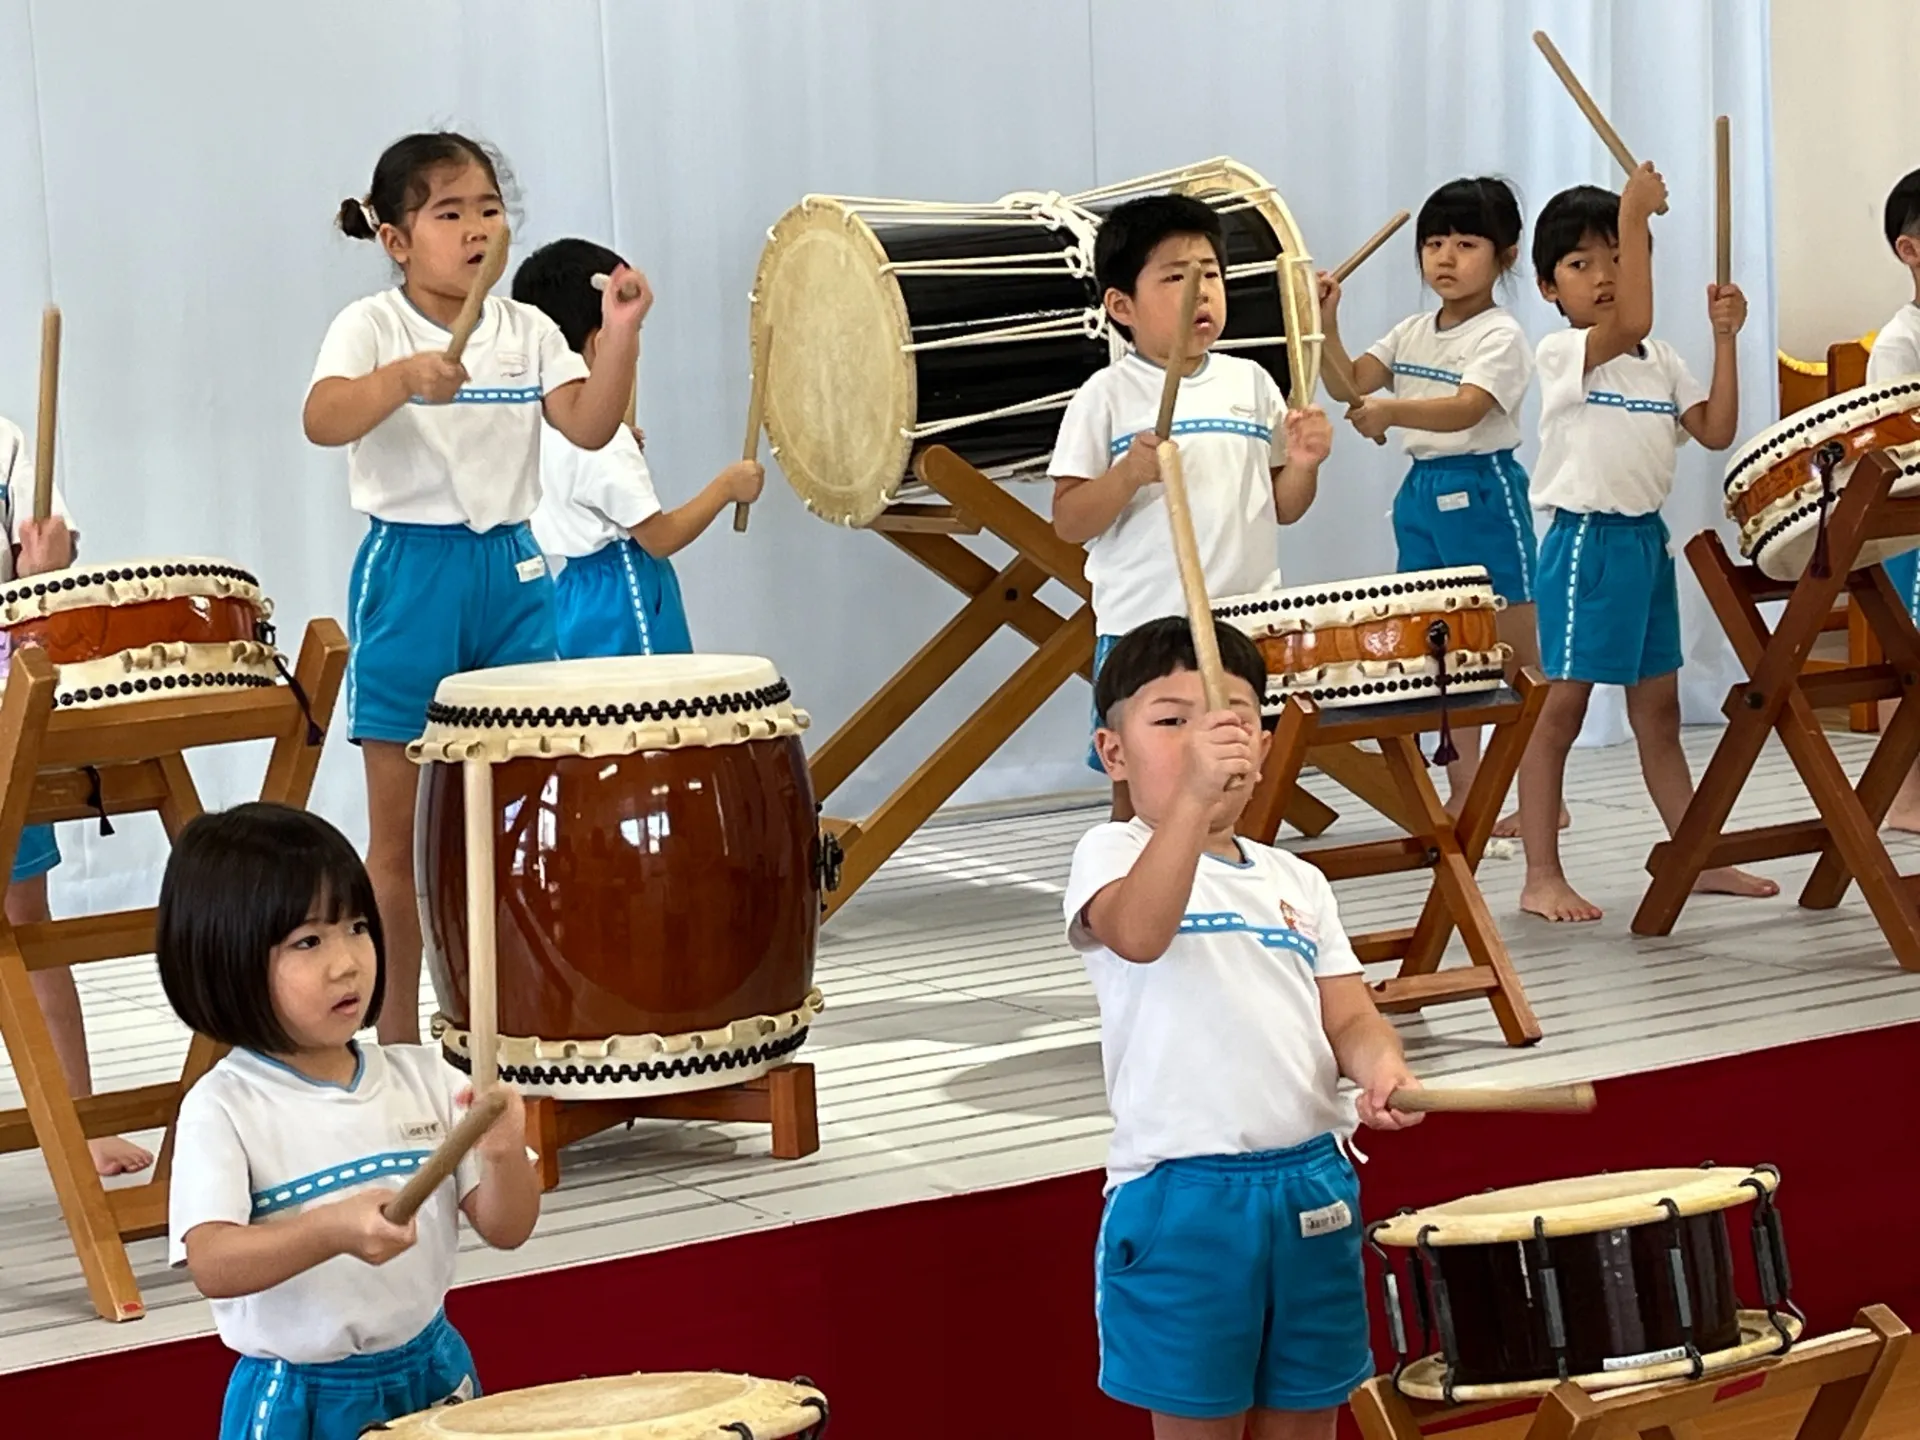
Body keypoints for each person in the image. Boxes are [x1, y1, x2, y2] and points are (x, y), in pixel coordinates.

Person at [303, 132, 647, 1041]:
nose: (475, 229)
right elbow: (322, 419)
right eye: (448, 212)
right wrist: (402, 378)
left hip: (514, 570)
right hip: (411, 570)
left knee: (513, 823)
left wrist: (619, 336)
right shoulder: (371, 325)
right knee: (399, 836)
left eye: (489, 210)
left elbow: (591, 423)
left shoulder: (528, 331)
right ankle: (399, 1039)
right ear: (396, 238)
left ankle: (513, 1017)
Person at [1067, 616, 1422, 1440]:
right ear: (1113, 752)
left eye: (1228, 721)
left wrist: (1382, 1067)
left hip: (1313, 1181)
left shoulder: (1297, 879)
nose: (1204, 743)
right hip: (1184, 1198)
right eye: (1170, 720)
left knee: (1307, 1421)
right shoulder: (1111, 852)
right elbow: (1141, 934)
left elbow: (1350, 1015)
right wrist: (1191, 801)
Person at [161, 803, 538, 1440]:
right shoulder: (223, 1106)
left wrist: (502, 1153)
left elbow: (508, 1229)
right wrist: (328, 1230)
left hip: (434, 1367)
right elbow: (214, 1263)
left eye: (357, 927)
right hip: (301, 1395)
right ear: (224, 958)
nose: (347, 962)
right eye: (309, 941)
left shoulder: (426, 1078)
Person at [1517, 164, 1778, 922]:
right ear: (1547, 288)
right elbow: (1626, 321)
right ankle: (1540, 873)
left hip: (1644, 549)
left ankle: (1696, 856)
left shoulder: (1660, 361)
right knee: (1560, 709)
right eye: (1581, 264)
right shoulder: (1563, 354)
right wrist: (1633, 213)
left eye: (1621, 259)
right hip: (1584, 548)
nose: (1605, 276)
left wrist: (1726, 338)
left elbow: (1717, 429)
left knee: (1658, 714)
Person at [1050, 194, 1333, 822]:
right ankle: (1133, 905)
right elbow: (1069, 519)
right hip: (1144, 625)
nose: (1200, 291)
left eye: (1210, 274)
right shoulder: (1106, 395)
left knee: (1240, 783)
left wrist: (1306, 465)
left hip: (1245, 621)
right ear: (1121, 306)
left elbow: (1283, 507)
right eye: (1175, 276)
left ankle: (1230, 901)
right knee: (1140, 789)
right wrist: (1128, 475)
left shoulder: (1253, 383)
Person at [1319, 177, 1558, 834]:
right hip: (1421, 494)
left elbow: (1468, 408)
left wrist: (1392, 410)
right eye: (1433, 244)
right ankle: (1467, 794)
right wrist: (1324, 325)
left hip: (1482, 488)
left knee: (1514, 655)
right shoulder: (1411, 331)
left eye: (1465, 243)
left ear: (1506, 254)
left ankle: (1544, 795)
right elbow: (1349, 383)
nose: (1445, 258)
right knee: (1441, 652)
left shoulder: (1501, 335)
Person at [0, 417, 151, 1175]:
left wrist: (48, 563)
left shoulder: (6, 443)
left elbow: (49, 568)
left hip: (4, 701)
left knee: (25, 918)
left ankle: (81, 1119)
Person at [513, 237, 763, 657]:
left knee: (597, 713)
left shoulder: (536, 421)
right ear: (600, 344)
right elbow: (659, 538)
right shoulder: (605, 445)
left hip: (572, 594)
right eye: (635, 334)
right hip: (625, 593)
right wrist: (727, 487)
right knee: (650, 709)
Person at [1860, 169, 1920, 830]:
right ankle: (1903, 795)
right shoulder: (1901, 341)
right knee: (1910, 655)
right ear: (1911, 250)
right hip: (1912, 525)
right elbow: (1897, 444)